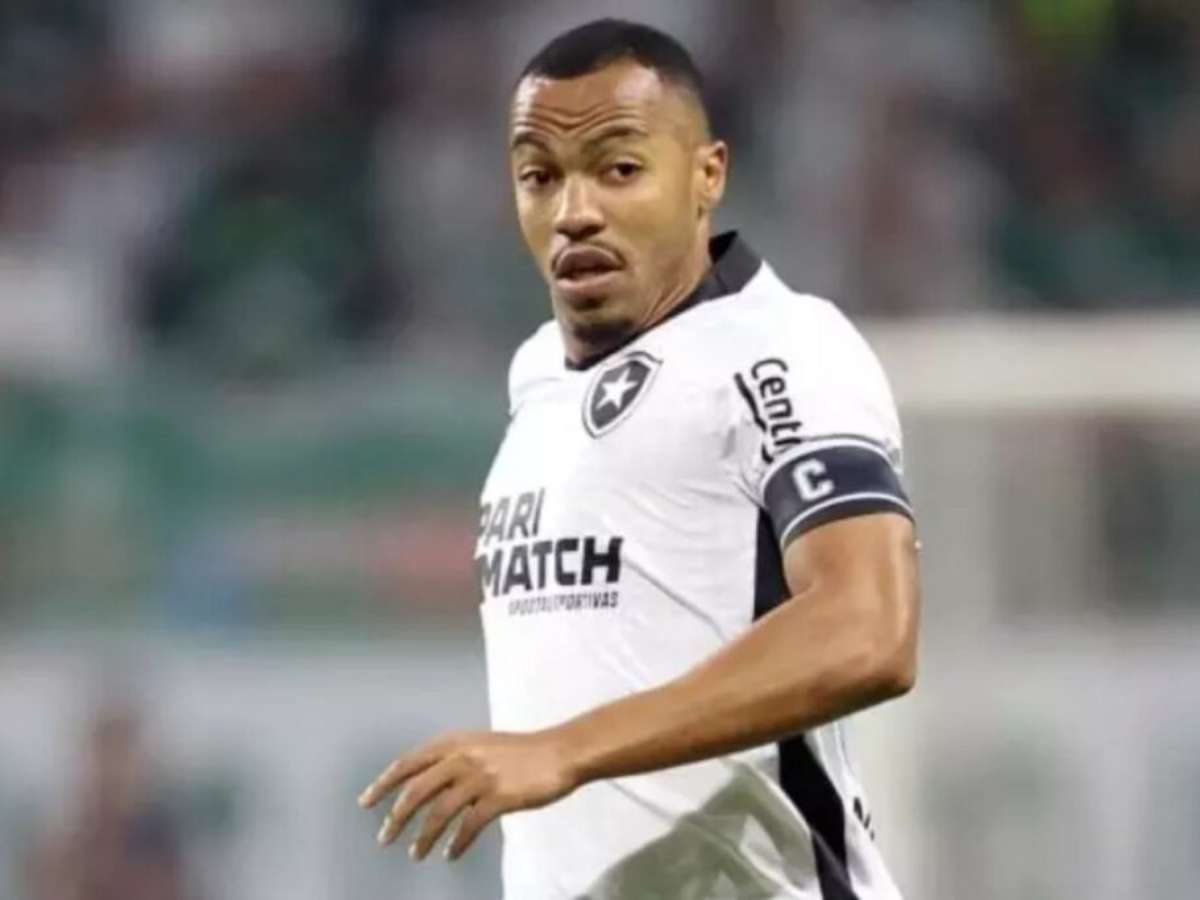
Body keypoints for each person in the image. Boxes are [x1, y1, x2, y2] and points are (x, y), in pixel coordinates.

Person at [359, 18, 920, 900]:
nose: (574, 212)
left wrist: (562, 751)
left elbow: (869, 630)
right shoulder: (538, 377)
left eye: (619, 169)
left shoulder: (781, 347)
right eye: (540, 177)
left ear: (708, 175)